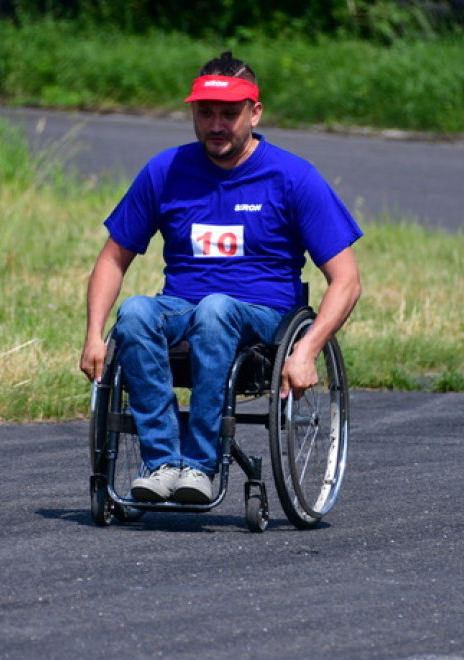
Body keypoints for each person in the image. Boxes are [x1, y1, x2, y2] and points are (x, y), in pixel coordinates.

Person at [80, 51, 363, 504]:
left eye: (229, 114)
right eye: (205, 113)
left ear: (255, 113)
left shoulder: (292, 177)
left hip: (264, 316)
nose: (216, 125)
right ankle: (163, 462)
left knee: (216, 310)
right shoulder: (165, 171)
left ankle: (200, 464)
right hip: (184, 307)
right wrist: (94, 335)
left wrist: (307, 350)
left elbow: (346, 279)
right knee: (134, 313)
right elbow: (113, 259)